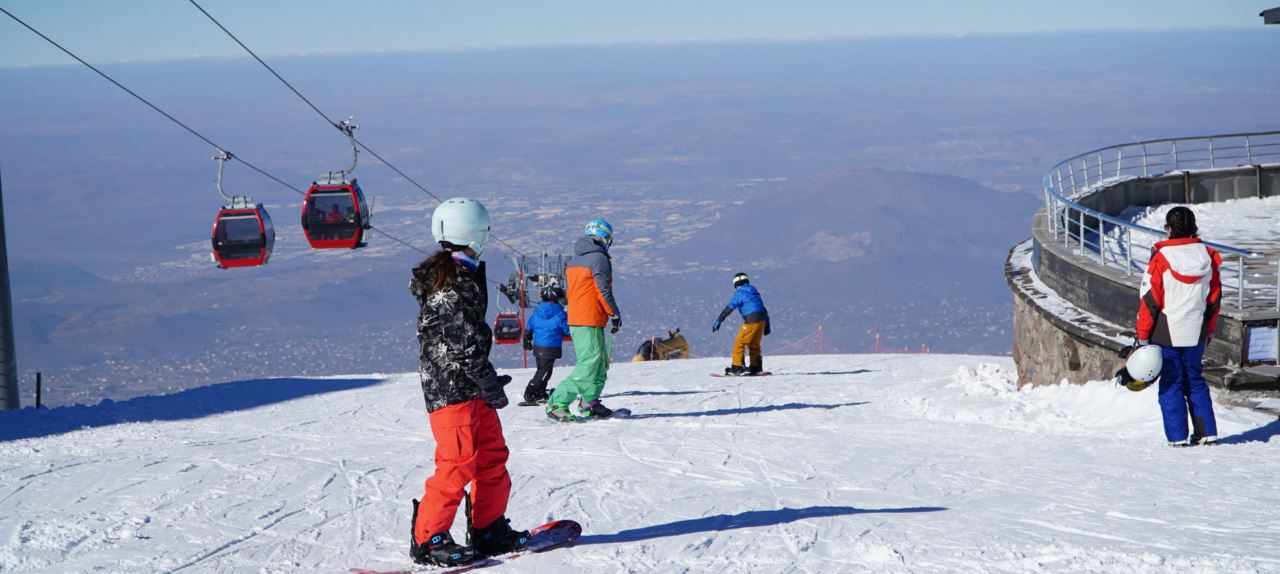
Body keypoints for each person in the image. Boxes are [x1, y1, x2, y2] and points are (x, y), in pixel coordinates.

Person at [406, 197, 528, 567]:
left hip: (469, 386)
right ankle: (428, 539)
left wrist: (484, 381)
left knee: (492, 455)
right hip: (451, 391)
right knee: (457, 462)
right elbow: (464, 344)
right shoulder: (454, 284)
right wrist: (487, 380)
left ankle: (487, 527)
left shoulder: (459, 275)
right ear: (477, 233)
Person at [1136, 206, 1222, 447]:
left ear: (1169, 229)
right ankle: (1206, 432)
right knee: (1195, 379)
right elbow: (1214, 300)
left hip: (1166, 331)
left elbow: (1150, 301)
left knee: (1171, 382)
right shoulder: (1207, 256)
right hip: (1197, 329)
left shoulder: (1162, 258)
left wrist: (1142, 336)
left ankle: (1177, 437)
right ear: (1194, 228)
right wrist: (1210, 329)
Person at [546, 219, 622, 422]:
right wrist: (614, 314)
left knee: (599, 364)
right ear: (605, 238)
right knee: (590, 364)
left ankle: (590, 402)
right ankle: (557, 402)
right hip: (589, 317)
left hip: (580, 317)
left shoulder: (574, 259)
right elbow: (602, 290)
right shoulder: (599, 259)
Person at [712, 272, 771, 376]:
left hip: (751, 321)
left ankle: (737, 368)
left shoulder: (740, 293)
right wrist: (767, 325)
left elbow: (730, 307)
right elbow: (764, 309)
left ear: (735, 284)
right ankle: (756, 368)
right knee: (754, 345)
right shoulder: (754, 292)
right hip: (761, 321)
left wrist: (719, 320)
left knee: (739, 344)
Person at [520, 286, 570, 405]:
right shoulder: (560, 312)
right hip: (551, 346)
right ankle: (530, 393)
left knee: (544, 370)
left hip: (538, 345)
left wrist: (527, 339)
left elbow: (530, 325)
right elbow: (567, 329)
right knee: (544, 371)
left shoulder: (538, 310)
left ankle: (540, 392)